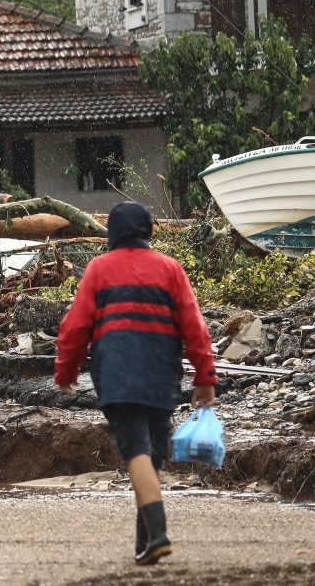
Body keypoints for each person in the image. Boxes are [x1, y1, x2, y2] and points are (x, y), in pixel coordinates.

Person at [55, 202, 216, 566]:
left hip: (117, 376)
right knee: (153, 453)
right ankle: (146, 543)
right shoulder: (169, 268)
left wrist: (66, 372)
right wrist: (204, 377)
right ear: (147, 231)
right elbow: (194, 326)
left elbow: (75, 327)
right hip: (162, 375)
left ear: (112, 232)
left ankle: (157, 534)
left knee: (136, 452)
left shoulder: (99, 269)